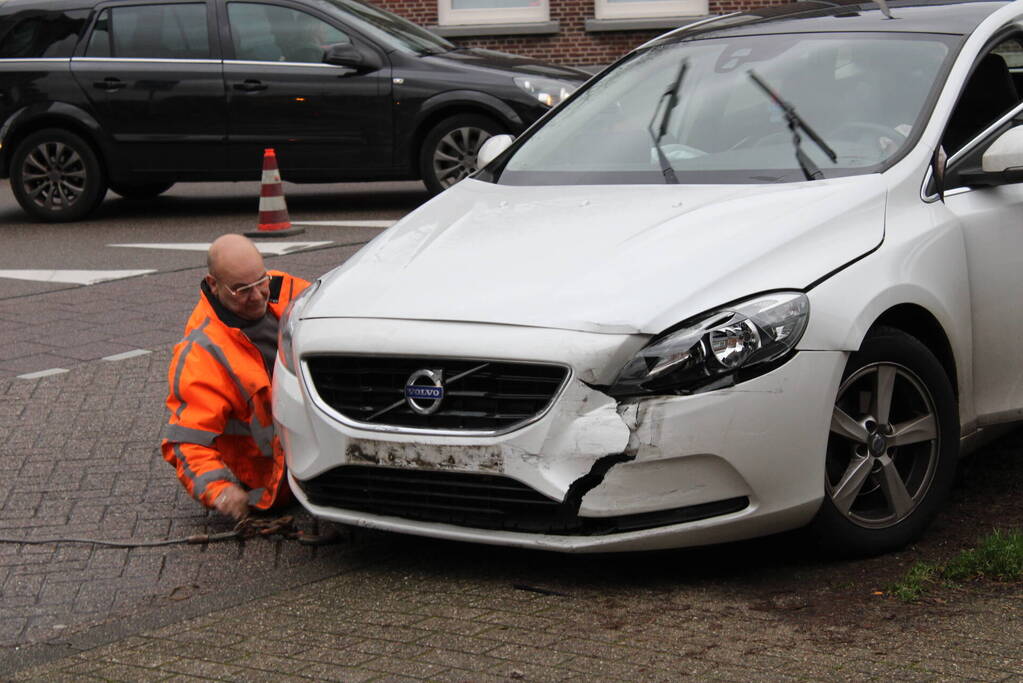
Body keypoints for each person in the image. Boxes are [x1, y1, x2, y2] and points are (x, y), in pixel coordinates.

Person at [161, 234, 310, 520]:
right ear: (214, 284)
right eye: (242, 290)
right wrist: (219, 490)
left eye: (260, 282)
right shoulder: (202, 354)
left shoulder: (280, 287)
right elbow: (185, 443)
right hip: (277, 482)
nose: (257, 297)